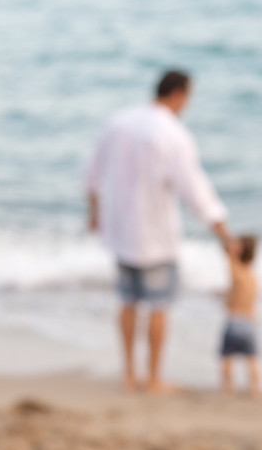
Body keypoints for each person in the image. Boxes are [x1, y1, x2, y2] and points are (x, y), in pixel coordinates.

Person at [84, 69, 232, 393]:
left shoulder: (119, 122)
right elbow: (196, 191)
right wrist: (224, 235)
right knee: (158, 307)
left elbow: (92, 173)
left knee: (127, 302)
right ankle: (153, 379)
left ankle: (128, 375)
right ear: (179, 94)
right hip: (156, 235)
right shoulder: (173, 133)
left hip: (121, 231)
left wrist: (94, 213)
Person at [220, 235, 262, 398]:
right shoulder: (253, 276)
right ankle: (256, 388)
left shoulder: (236, 271)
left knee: (226, 356)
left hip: (234, 320)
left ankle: (227, 388)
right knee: (252, 357)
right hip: (250, 321)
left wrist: (230, 247)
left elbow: (227, 255)